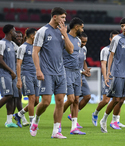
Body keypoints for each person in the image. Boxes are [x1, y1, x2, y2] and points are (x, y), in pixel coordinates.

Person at [30, 7, 74, 139]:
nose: (64, 20)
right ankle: (36, 120)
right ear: (55, 17)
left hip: (61, 72)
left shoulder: (62, 32)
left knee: (60, 101)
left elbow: (71, 50)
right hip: (46, 72)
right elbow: (35, 52)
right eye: (62, 17)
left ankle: (56, 131)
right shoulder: (43, 31)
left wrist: (65, 34)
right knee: (46, 102)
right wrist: (38, 70)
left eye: (65, 18)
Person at [92, 30, 125, 129]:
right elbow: (103, 64)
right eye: (114, 38)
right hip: (108, 77)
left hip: (118, 76)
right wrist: (105, 77)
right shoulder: (105, 50)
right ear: (110, 39)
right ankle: (95, 113)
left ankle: (115, 121)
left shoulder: (120, 50)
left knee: (118, 99)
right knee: (106, 100)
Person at [63, 17, 86, 135]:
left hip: (77, 72)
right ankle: (58, 115)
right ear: (76, 27)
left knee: (76, 100)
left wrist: (80, 74)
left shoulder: (77, 40)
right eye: (82, 27)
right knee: (71, 99)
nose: (83, 29)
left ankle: (74, 128)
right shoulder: (64, 38)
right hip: (67, 71)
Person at [13, 28, 39, 128]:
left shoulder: (36, 47)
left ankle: (18, 115)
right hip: (26, 74)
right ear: (32, 36)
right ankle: (32, 123)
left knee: (37, 101)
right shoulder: (23, 47)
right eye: (36, 34)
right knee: (31, 99)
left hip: (36, 75)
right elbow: (18, 64)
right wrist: (19, 79)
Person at [67, 33, 91, 126]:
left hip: (81, 75)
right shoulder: (72, 48)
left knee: (87, 96)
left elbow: (83, 61)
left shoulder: (84, 49)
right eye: (82, 41)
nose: (84, 44)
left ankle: (72, 114)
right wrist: (81, 72)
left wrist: (86, 69)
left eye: (85, 42)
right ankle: (74, 120)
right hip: (73, 74)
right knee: (74, 99)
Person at [0, 24, 18, 128]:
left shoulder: (12, 44)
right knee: (8, 95)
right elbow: (0, 60)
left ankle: (9, 121)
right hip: (4, 73)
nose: (16, 33)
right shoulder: (2, 43)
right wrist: (11, 71)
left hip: (12, 75)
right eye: (14, 31)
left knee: (12, 97)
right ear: (10, 32)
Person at [12, 30, 29, 127]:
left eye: (20, 36)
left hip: (20, 75)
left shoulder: (22, 48)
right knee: (16, 96)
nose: (19, 38)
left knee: (17, 96)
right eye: (17, 36)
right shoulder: (14, 47)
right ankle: (19, 117)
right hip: (14, 74)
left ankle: (17, 117)